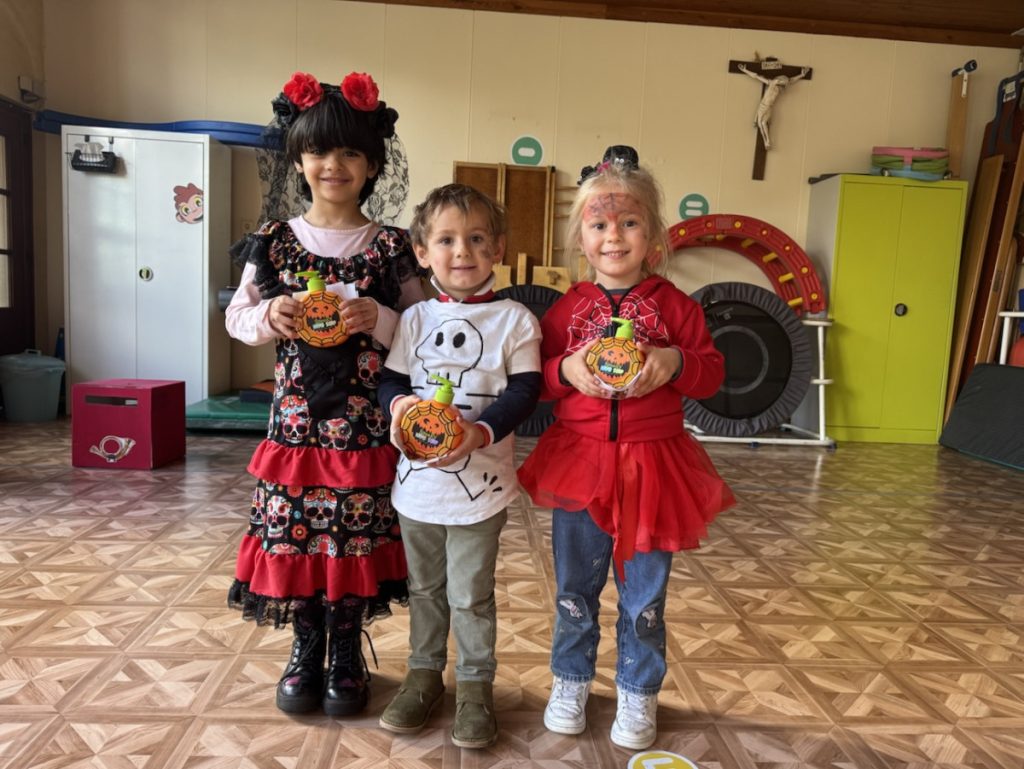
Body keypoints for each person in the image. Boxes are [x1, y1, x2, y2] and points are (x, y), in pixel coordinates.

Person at [518, 145, 735, 750]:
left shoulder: (677, 308)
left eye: (629, 222)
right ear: (581, 240)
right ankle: (570, 681)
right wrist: (566, 370)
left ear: (653, 234)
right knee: (574, 588)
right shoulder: (567, 310)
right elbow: (537, 380)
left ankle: (639, 691)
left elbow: (711, 376)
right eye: (599, 225)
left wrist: (676, 360)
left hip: (654, 466)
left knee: (645, 595)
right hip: (579, 462)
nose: (614, 236)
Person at [225, 70, 424, 717]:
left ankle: (346, 655)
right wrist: (269, 316)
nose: (332, 164)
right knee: (298, 538)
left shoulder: (391, 247)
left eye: (348, 152)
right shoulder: (274, 239)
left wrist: (381, 318)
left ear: (372, 165)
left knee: (352, 539)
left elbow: (426, 332)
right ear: (297, 160)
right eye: (317, 151)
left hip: (364, 435)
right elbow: (236, 317)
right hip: (295, 435)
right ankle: (305, 650)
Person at [376, 183, 542, 748]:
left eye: (475, 238)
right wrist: (400, 407)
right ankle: (423, 676)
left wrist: (479, 432)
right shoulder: (415, 318)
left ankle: (474, 686)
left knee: (470, 594)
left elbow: (525, 391)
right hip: (416, 490)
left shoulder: (516, 320)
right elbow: (392, 381)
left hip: (482, 491)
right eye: (446, 240)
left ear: (497, 248)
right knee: (424, 589)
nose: (462, 251)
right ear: (423, 252)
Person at [737, 63, 810, 149]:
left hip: (770, 107)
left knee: (763, 123)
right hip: (763, 105)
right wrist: (745, 70)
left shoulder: (780, 87)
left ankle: (767, 141)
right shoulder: (771, 83)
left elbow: (791, 80)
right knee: (761, 124)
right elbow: (756, 76)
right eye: (782, 81)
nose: (784, 83)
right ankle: (766, 142)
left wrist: (802, 75)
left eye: (784, 82)